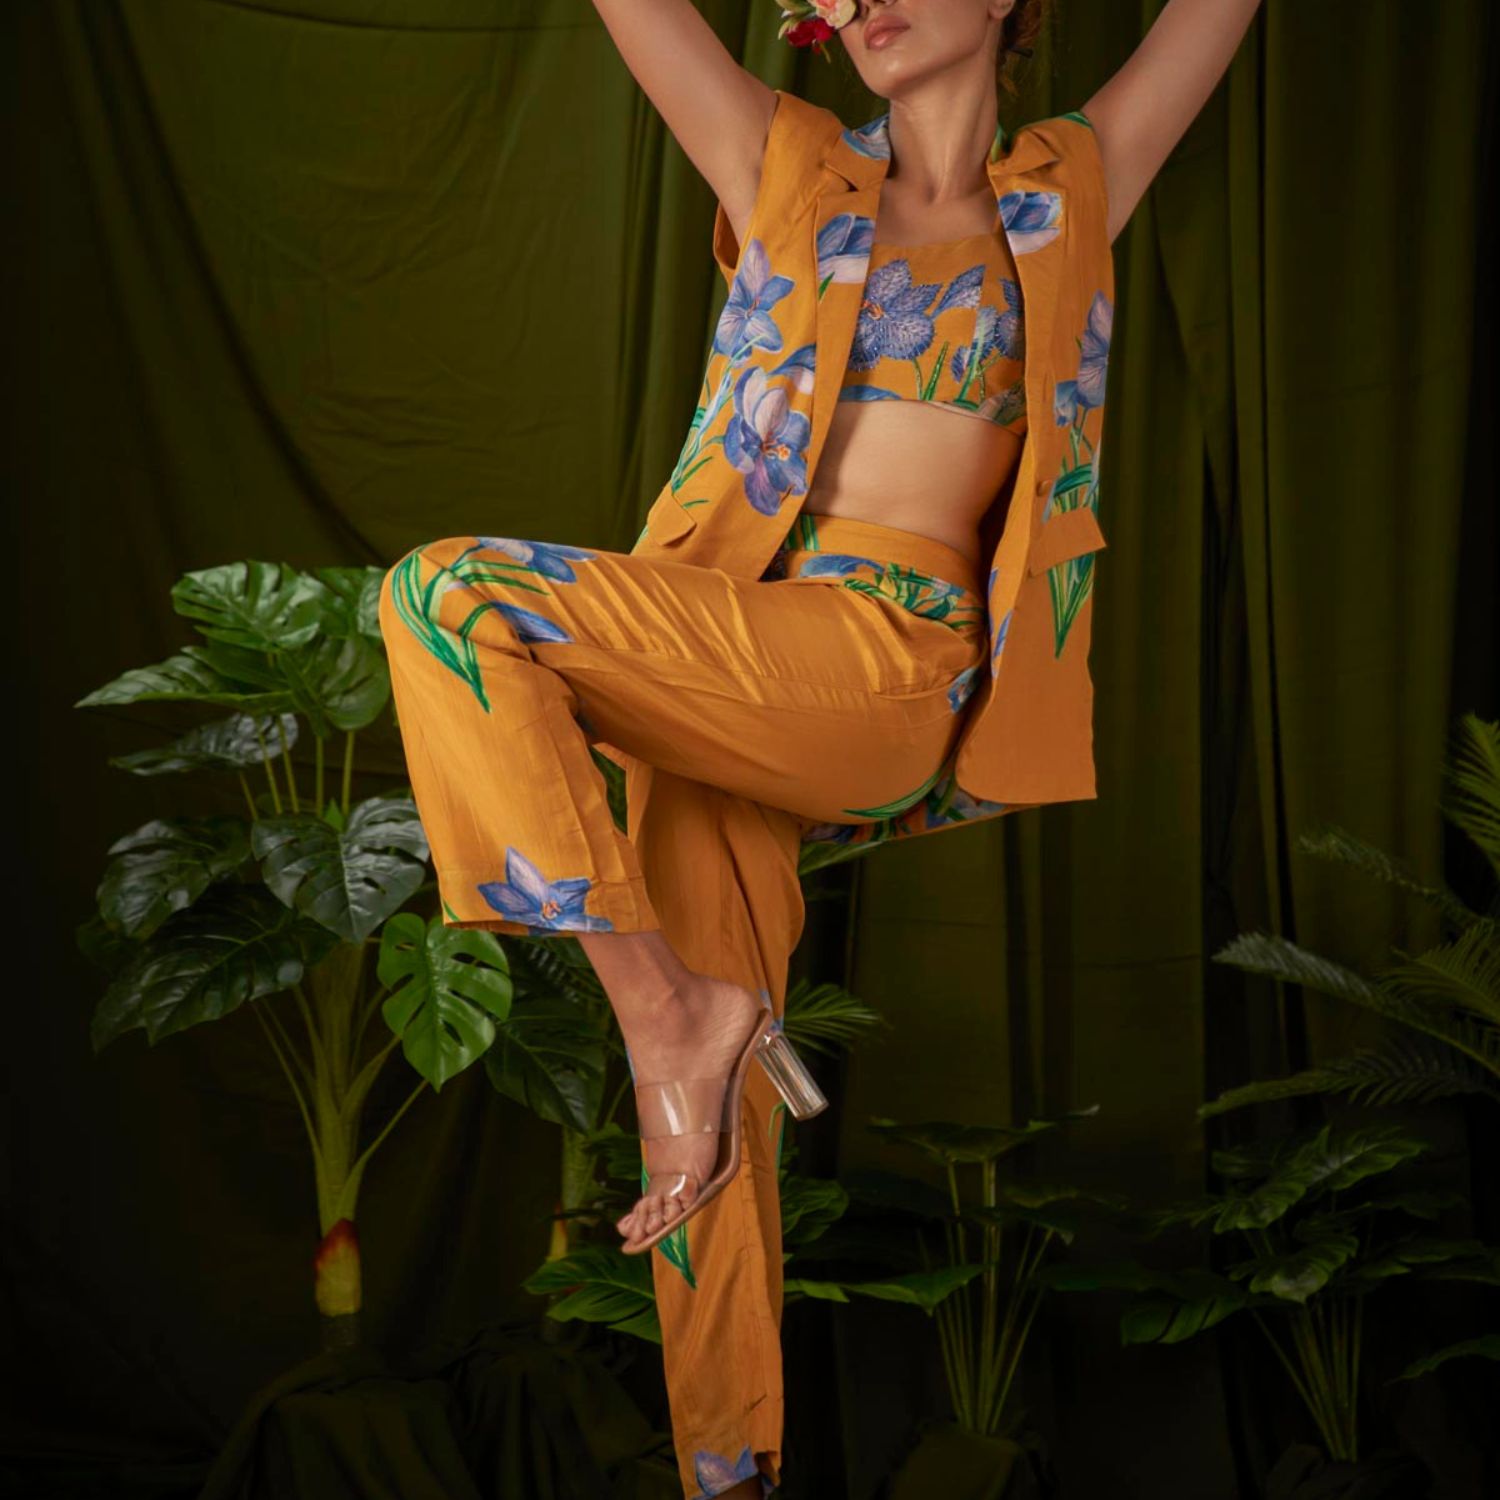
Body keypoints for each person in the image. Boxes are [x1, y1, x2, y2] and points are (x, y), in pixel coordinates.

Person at [378, 2, 1263, 1494]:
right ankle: (730, 1475)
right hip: (730, 650)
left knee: (453, 591)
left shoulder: (1076, 183)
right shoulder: (787, 164)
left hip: (891, 663)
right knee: (710, 1151)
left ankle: (663, 1010)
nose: (863, 1)